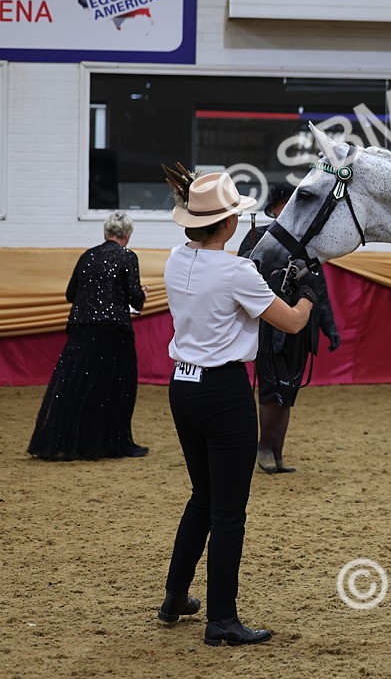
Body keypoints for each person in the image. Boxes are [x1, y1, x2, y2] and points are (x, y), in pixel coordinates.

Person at [157, 169, 315, 646]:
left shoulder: (172, 259)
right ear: (227, 225)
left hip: (182, 386)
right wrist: (308, 292)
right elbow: (288, 323)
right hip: (223, 393)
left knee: (202, 498)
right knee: (229, 512)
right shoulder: (235, 271)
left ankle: (174, 597)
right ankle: (221, 618)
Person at [237, 182, 340, 474]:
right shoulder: (259, 237)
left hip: (301, 329)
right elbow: (244, 274)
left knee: (289, 391)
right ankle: (264, 448)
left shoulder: (308, 242)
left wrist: (328, 327)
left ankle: (276, 452)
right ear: (277, 206)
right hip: (271, 328)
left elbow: (318, 288)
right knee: (271, 391)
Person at [28, 212, 148, 460]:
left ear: (105, 233)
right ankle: (112, 443)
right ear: (127, 235)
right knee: (115, 389)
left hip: (81, 328)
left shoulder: (87, 256)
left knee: (75, 386)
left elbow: (71, 294)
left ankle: (65, 441)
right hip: (113, 332)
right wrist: (138, 295)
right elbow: (135, 297)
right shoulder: (127, 257)